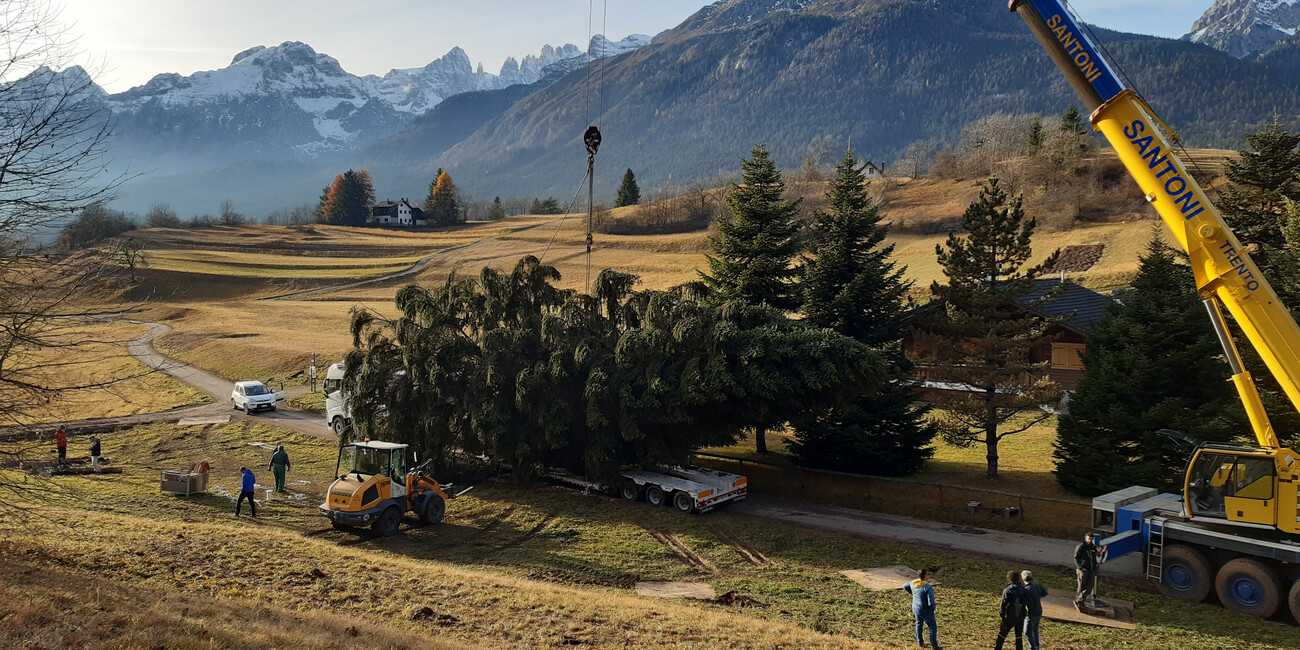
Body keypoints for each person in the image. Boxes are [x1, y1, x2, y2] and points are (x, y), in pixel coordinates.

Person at [902, 569, 940, 649]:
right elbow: (931, 601)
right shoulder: (927, 587)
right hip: (925, 609)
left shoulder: (913, 583)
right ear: (926, 576)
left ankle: (920, 642)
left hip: (916, 608)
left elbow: (905, 586)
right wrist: (932, 608)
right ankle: (934, 645)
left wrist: (912, 592)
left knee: (918, 624)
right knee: (932, 625)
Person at [995, 570, 1027, 650]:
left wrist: (1002, 615)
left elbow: (1004, 604)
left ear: (1009, 579)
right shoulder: (1024, 589)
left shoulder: (1008, 590)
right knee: (1019, 636)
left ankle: (998, 648)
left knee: (1002, 634)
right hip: (1021, 615)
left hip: (1010, 615)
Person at [1074, 532, 1105, 608]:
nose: (1090, 541)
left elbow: (1094, 558)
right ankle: (1079, 601)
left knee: (1089, 587)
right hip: (1083, 570)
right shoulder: (1080, 547)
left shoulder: (1093, 547)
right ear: (1085, 538)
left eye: (1091, 539)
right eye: (1088, 539)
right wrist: (1080, 567)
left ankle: (1082, 600)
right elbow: (1076, 558)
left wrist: (1095, 566)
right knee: (1081, 586)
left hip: (1091, 569)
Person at [1021, 570, 1048, 650]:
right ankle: (1037, 646)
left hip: (1030, 613)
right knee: (1035, 630)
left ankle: (1033, 647)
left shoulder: (1025, 590)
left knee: (1027, 632)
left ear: (1023, 578)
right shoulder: (1038, 586)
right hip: (1039, 610)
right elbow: (1044, 593)